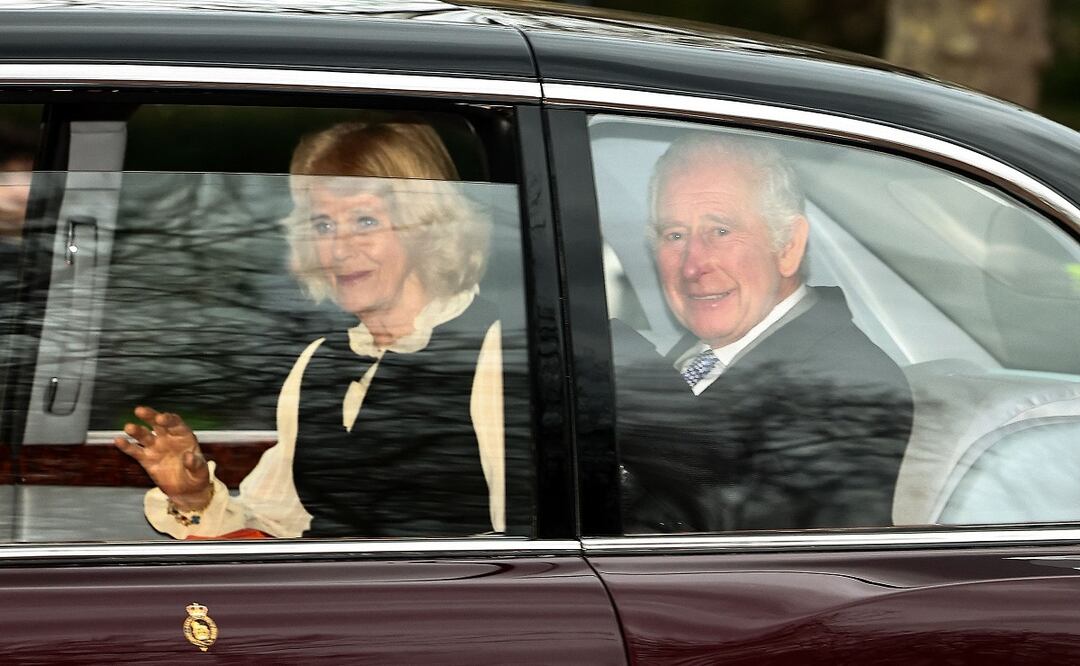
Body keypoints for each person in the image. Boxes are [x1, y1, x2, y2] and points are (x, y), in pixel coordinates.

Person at [115, 120, 515, 538]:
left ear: (425, 227)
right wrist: (195, 497)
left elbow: (528, 556)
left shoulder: (495, 355)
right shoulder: (318, 361)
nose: (338, 249)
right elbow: (274, 524)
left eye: (365, 222)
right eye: (323, 225)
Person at [615, 132, 914, 533]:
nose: (692, 265)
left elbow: (744, 550)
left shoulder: (847, 384)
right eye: (675, 236)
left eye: (719, 231)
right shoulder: (700, 354)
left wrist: (628, 383)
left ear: (788, 245)